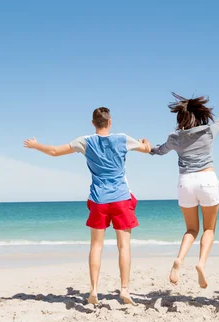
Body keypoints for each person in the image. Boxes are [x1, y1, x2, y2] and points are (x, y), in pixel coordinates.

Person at [23, 107, 151, 305]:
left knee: (96, 246)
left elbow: (55, 152)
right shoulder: (123, 138)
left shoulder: (85, 141)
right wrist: (145, 143)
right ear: (110, 122)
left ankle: (93, 290)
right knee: (124, 246)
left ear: (93, 123)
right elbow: (147, 150)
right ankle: (124, 289)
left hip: (99, 200)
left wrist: (35, 145)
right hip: (121, 198)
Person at [150, 87, 219, 288]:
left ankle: (179, 260)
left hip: (185, 182)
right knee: (209, 228)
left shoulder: (175, 137)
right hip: (207, 180)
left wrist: (147, 147)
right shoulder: (209, 131)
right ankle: (201, 263)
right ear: (200, 114)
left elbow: (158, 151)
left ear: (181, 118)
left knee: (191, 229)